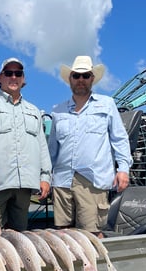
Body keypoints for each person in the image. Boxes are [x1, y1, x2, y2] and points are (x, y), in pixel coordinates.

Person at [48, 55, 133, 238]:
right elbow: (52, 150)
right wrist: (46, 176)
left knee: (92, 234)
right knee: (63, 235)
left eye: (85, 75)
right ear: (69, 79)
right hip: (62, 180)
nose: (80, 80)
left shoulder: (107, 104)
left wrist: (123, 169)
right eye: (76, 76)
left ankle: (97, 267)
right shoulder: (57, 110)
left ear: (92, 78)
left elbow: (119, 139)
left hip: (93, 181)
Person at [0, 57, 52, 233]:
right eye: (8, 73)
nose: (13, 77)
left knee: (20, 238)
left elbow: (42, 147)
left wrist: (45, 177)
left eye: (18, 73)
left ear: (23, 79)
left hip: (24, 187)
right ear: (0, 77)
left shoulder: (34, 111)